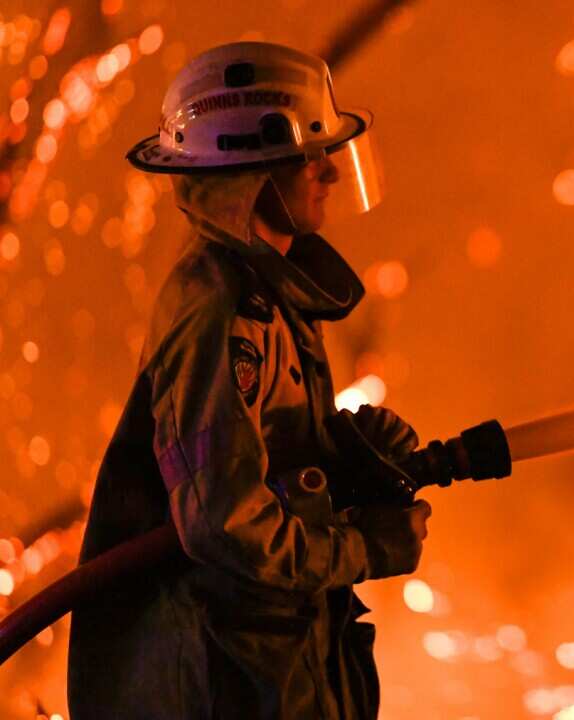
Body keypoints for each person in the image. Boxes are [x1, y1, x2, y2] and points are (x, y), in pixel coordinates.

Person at [68, 41, 428, 719]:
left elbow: (259, 452)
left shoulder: (267, 289)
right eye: (309, 155)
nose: (327, 172)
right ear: (251, 173)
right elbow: (224, 524)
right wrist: (361, 548)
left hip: (275, 663)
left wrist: (345, 444)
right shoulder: (218, 313)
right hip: (228, 680)